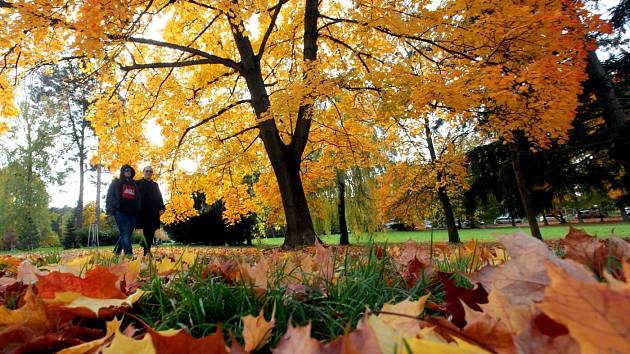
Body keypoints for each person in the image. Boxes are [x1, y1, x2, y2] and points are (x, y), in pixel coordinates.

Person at [106, 164, 141, 256]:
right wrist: (115, 207)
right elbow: (109, 196)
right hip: (121, 212)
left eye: (129, 170)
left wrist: (138, 209)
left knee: (127, 234)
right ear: (122, 172)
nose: (128, 172)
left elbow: (138, 198)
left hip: (133, 213)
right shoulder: (116, 182)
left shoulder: (135, 184)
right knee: (125, 232)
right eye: (125, 170)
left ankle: (116, 252)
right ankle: (129, 254)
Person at [136, 166, 165, 256]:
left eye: (151, 171)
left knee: (150, 231)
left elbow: (159, 197)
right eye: (147, 171)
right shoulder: (137, 183)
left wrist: (162, 208)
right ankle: (120, 251)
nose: (149, 173)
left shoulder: (155, 185)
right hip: (141, 212)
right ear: (143, 172)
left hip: (153, 211)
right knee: (127, 230)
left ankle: (147, 251)